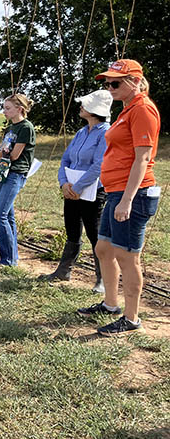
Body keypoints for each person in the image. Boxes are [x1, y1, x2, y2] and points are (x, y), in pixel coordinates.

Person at [78, 59, 161, 337]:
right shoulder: (128, 110)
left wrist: (127, 200)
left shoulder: (143, 110)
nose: (109, 87)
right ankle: (111, 303)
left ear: (136, 81)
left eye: (115, 83)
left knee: (128, 258)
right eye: (107, 83)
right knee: (104, 249)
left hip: (132, 195)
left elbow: (143, 158)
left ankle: (131, 317)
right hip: (116, 192)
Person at [40, 90, 111, 291]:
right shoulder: (81, 132)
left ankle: (103, 279)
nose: (80, 106)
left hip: (93, 190)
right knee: (72, 229)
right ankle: (63, 271)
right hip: (71, 189)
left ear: (95, 110)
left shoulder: (106, 132)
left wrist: (78, 187)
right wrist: (64, 183)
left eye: (85, 104)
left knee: (94, 233)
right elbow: (66, 159)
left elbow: (99, 165)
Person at [0, 94, 36, 267]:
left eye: (8, 108)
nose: (4, 111)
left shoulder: (26, 127)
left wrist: (1, 155)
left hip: (15, 174)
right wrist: (1, 154)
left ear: (20, 109)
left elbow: (14, 155)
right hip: (3, 173)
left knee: (0, 215)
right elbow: (5, 150)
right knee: (8, 216)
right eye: (4, 108)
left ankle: (7, 260)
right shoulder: (11, 128)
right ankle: (12, 257)